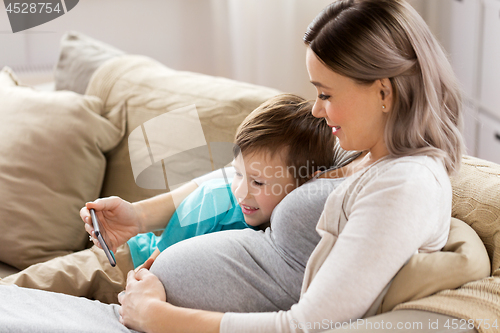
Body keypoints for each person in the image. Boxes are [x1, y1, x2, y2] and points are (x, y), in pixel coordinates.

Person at [0, 0, 464, 332]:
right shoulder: (366, 153)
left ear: (383, 92)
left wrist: (161, 318)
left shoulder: (405, 185)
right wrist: (140, 215)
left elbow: (305, 325)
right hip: (143, 296)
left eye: (326, 94)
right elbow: (236, 176)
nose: (317, 110)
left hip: (159, 318)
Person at [0, 93, 337, 304]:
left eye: (259, 182)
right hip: (132, 260)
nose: (242, 191)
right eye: (238, 174)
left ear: (303, 184)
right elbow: (157, 265)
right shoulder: (216, 201)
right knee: (28, 287)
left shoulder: (300, 216)